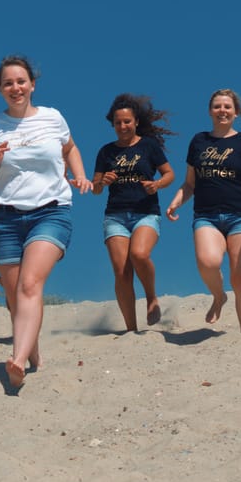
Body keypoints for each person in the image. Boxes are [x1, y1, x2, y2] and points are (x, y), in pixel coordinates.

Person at [0, 56, 92, 389]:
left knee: (29, 286)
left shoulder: (53, 118)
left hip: (50, 211)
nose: (16, 88)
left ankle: (18, 358)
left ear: (32, 84)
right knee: (15, 297)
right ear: (0, 89)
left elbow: (70, 148)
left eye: (21, 81)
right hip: (5, 217)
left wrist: (79, 175)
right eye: (8, 83)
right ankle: (33, 353)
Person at [166, 89, 241, 333]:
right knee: (208, 261)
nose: (222, 110)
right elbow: (190, 182)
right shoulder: (199, 141)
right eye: (217, 106)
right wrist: (176, 201)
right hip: (207, 215)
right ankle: (218, 296)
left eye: (227, 106)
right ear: (210, 111)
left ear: (236, 112)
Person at [91, 94, 175, 331]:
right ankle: (131, 328)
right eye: (118, 123)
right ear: (113, 125)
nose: (123, 126)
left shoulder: (148, 146)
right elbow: (95, 189)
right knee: (121, 272)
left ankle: (151, 298)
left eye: (127, 121)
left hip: (146, 213)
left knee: (139, 254)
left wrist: (156, 184)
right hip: (115, 216)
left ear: (136, 121)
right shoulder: (106, 152)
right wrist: (102, 181)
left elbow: (169, 174)